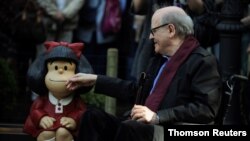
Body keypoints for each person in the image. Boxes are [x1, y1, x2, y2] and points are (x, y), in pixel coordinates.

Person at [66, 6, 221, 141]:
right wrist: (95, 80)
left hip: (168, 129)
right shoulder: (158, 60)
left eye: (153, 31)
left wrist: (157, 116)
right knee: (92, 117)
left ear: (171, 30)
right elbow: (135, 90)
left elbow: (205, 110)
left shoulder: (203, 62)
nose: (150, 37)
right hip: (140, 128)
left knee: (131, 128)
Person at [23, 41, 93, 141]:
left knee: (63, 133)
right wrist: (41, 118)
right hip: (47, 129)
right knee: (46, 134)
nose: (60, 72)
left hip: (67, 132)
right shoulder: (44, 98)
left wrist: (74, 120)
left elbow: (81, 111)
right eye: (55, 68)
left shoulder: (76, 100)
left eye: (66, 68)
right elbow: (35, 110)